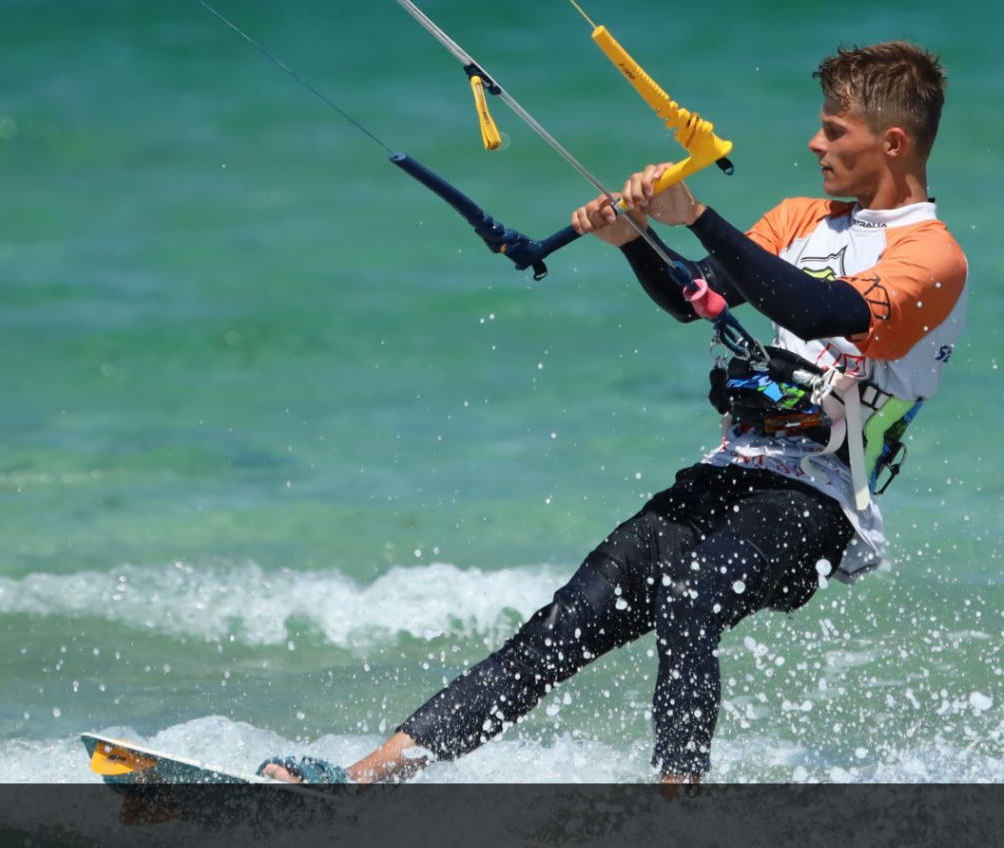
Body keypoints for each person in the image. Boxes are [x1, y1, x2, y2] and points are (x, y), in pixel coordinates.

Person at [263, 40, 968, 785]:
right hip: (729, 474)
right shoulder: (801, 219)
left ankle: (676, 813)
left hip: (818, 502)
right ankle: (360, 779)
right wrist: (635, 241)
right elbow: (696, 298)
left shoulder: (934, 257)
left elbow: (819, 307)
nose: (814, 142)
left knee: (693, 594)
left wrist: (694, 213)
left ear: (892, 142)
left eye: (834, 129)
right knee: (564, 622)